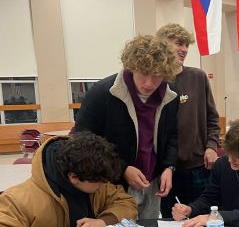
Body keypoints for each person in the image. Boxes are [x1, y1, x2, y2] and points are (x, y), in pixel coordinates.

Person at [74, 35, 180, 219]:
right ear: (131, 67)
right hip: (112, 185)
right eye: (143, 73)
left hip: (152, 184)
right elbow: (82, 141)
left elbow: (172, 136)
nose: (149, 83)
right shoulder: (102, 93)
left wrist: (168, 167)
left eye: (156, 76)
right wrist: (122, 168)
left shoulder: (170, 98)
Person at [0, 132, 137, 227]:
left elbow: (126, 203)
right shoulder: (16, 202)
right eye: (100, 183)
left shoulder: (95, 177)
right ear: (73, 177)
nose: (104, 185)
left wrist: (103, 221)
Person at [156, 23, 220, 218]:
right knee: (170, 219)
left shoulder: (198, 77)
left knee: (202, 218)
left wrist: (211, 146)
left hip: (198, 167)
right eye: (179, 44)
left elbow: (212, 117)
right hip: (167, 170)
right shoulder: (155, 81)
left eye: (186, 45)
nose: (184, 49)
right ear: (163, 45)